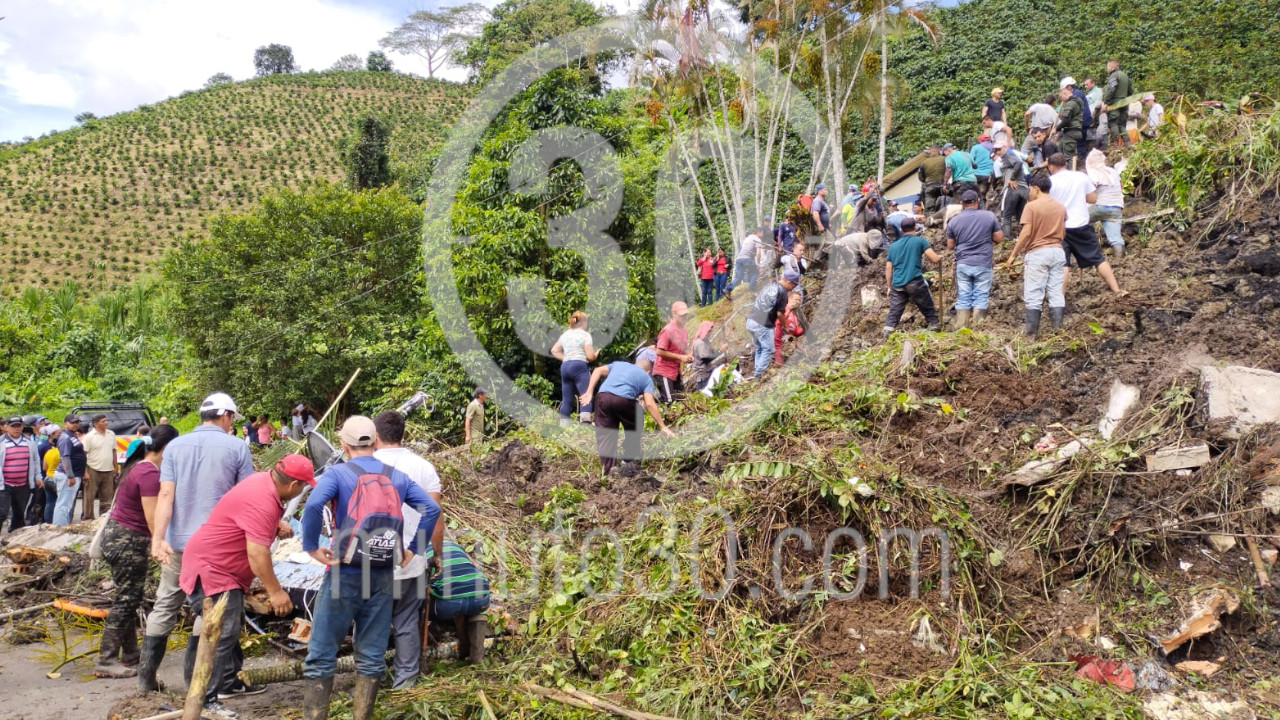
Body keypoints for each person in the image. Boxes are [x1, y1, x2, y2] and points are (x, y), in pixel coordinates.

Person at [301, 416, 440, 720]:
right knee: (372, 657)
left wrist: (311, 546)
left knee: (321, 656)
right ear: (376, 441)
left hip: (344, 573)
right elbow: (432, 508)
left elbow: (312, 506)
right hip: (381, 575)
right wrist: (414, 549)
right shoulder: (398, 476)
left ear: (343, 444)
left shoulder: (338, 473)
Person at [140, 392, 255, 694]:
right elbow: (246, 498)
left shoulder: (175, 447)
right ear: (226, 416)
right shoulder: (236, 447)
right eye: (232, 418)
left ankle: (146, 682)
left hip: (178, 544)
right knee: (210, 611)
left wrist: (158, 539)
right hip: (217, 549)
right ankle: (197, 684)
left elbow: (165, 495)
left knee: (165, 605)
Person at [182, 454, 311, 716]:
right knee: (219, 631)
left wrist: (275, 523)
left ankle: (228, 681)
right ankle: (204, 699)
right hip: (213, 568)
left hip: (220, 566)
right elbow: (257, 554)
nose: (302, 490)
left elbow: (243, 514)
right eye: (303, 486)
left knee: (230, 625)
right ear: (293, 484)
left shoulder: (262, 481)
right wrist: (275, 592)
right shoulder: (264, 501)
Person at [94, 424, 180, 679]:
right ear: (167, 448)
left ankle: (130, 652)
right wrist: (160, 544)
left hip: (118, 538)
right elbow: (153, 518)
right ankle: (106, 660)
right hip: (128, 541)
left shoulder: (137, 466)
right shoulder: (148, 474)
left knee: (129, 596)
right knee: (126, 600)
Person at [372, 410, 444, 690]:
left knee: (371, 623)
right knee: (406, 623)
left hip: (370, 564)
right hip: (411, 562)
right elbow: (435, 515)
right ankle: (405, 684)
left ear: (375, 436)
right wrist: (436, 554)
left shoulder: (361, 464)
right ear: (403, 435)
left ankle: (370, 681)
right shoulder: (423, 467)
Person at [1046, 153, 1126, 297]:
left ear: (1051, 166)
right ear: (1065, 164)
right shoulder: (1081, 177)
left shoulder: (1049, 182)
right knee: (1098, 259)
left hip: (1060, 227)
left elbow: (1046, 204)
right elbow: (1092, 198)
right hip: (1081, 224)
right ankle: (1117, 291)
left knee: (1063, 264)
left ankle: (1059, 300)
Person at [579, 357, 675, 476]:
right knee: (635, 424)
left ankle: (610, 472)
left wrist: (589, 392)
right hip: (624, 400)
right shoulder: (646, 378)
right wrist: (662, 426)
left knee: (605, 435)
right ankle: (627, 460)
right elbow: (649, 402)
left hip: (603, 397)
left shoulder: (618, 364)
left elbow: (597, 370)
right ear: (648, 371)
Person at [1005, 174, 1067, 336]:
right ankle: (1058, 332)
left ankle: (1031, 334)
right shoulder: (1060, 206)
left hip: (1038, 252)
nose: (1029, 192)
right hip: (1058, 251)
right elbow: (1063, 231)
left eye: (1030, 189)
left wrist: (1013, 255)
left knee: (1033, 293)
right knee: (1056, 292)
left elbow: (1026, 233)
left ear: (1036, 188)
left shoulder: (1031, 207)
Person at [418, 540, 490, 662]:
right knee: (473, 602)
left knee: (416, 603)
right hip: (481, 597)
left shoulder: (420, 551)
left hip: (448, 604)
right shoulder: (455, 546)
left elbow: (422, 586)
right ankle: (477, 655)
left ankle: (419, 656)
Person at [945, 189, 1004, 328]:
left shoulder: (953, 221)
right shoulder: (989, 216)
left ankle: (962, 328)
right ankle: (978, 328)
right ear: (978, 201)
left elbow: (950, 245)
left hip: (963, 263)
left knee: (964, 296)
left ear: (962, 203)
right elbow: (999, 238)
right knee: (981, 295)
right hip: (983, 262)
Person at [883, 217, 942, 335]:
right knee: (926, 304)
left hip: (897, 283)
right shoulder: (920, 241)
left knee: (895, 310)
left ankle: (887, 331)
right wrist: (940, 257)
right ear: (915, 227)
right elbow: (934, 259)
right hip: (914, 281)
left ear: (901, 229)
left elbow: (889, 268)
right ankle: (934, 325)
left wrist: (889, 286)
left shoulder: (893, 246)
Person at [745, 270, 800, 377]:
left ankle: (757, 371)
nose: (793, 288)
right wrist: (785, 326)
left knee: (760, 348)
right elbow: (780, 314)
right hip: (763, 323)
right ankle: (758, 375)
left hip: (751, 320)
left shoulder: (769, 286)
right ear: (788, 282)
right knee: (769, 349)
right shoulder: (782, 292)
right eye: (794, 285)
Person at [552, 311, 598, 425]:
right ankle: (585, 424)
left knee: (566, 399)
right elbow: (590, 356)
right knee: (585, 396)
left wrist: (566, 358)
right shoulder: (585, 335)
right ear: (584, 322)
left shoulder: (565, 335)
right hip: (579, 366)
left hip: (565, 366)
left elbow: (554, 350)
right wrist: (595, 355)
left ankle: (564, 426)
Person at [1, 417, 40, 533]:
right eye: (13, 426)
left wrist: (38, 477)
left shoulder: (29, 442)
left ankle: (14, 537)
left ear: (22, 427)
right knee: (2, 513)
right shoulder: (1, 442)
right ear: (7, 427)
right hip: (4, 484)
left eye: (19, 426)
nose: (17, 429)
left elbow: (36, 460)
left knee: (19, 513)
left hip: (23, 484)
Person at [1086, 149, 1126, 258]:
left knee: (1082, 219)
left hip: (1101, 206)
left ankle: (1087, 247)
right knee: (1115, 238)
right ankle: (1120, 260)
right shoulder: (1112, 171)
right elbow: (1120, 186)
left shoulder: (1094, 172)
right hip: (1116, 208)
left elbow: (1090, 192)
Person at [653, 302, 692, 404]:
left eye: (685, 315)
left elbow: (683, 348)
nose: (684, 317)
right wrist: (680, 357)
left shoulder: (684, 330)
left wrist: (689, 355)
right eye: (682, 315)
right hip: (664, 371)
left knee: (682, 399)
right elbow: (659, 351)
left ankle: (656, 399)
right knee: (670, 401)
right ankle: (652, 400)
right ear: (674, 314)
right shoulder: (668, 330)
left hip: (675, 370)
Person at [991, 139, 1030, 240]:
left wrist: (1012, 178)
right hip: (1024, 188)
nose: (997, 152)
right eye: (995, 150)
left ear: (1005, 147)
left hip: (1012, 188)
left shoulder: (1008, 154)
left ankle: (1006, 239)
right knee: (1021, 216)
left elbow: (1018, 163)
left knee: (1005, 216)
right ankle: (1025, 237)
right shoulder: (1010, 155)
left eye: (999, 149)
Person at [82, 413, 118, 521]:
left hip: (108, 470)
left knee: (107, 496)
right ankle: (88, 518)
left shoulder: (111, 434)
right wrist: (85, 472)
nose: (106, 423)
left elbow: (114, 451)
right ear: (96, 424)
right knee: (90, 496)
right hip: (93, 469)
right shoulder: (89, 437)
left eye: (106, 421)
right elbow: (83, 455)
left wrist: (115, 467)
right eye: (103, 421)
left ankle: (104, 518)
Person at [56, 414, 86, 527]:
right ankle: (58, 529)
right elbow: (65, 457)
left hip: (74, 474)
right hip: (67, 476)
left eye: (77, 422)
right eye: (72, 422)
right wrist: (70, 475)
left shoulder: (73, 436)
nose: (75, 424)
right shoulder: (65, 438)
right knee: (63, 504)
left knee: (67, 504)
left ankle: (61, 527)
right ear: (65, 424)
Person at [1055, 79, 1087, 169]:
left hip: (1072, 131)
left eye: (1061, 98)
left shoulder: (1070, 104)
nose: (1062, 101)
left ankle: (1071, 172)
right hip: (1073, 131)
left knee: (1068, 156)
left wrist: (1056, 128)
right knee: (1060, 148)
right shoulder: (1077, 101)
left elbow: (1065, 119)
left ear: (1065, 93)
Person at [1102, 58, 1133, 148]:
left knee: (1113, 123)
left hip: (1115, 103)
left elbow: (1111, 89)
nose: (1107, 68)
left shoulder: (1114, 75)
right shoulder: (1125, 76)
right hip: (1125, 102)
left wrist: (1106, 102)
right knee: (1122, 124)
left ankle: (1114, 144)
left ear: (1111, 66)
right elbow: (1130, 91)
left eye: (1107, 66)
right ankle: (1128, 143)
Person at [690, 321, 728, 391]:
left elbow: (711, 354)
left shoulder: (705, 341)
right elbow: (706, 359)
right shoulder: (700, 343)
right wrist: (720, 351)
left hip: (707, 372)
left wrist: (720, 350)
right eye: (708, 331)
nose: (709, 333)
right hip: (703, 375)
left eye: (710, 331)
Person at [772, 293, 805, 366]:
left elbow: (795, 330)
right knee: (778, 362)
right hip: (777, 339)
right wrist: (789, 310)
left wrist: (802, 330)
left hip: (788, 340)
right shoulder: (783, 308)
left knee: (803, 355)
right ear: (789, 299)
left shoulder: (794, 315)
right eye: (796, 299)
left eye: (799, 300)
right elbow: (778, 322)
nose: (797, 302)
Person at [40, 424, 63, 524]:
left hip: (48, 478)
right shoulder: (61, 452)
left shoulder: (48, 452)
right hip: (57, 479)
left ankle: (48, 522)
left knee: (49, 503)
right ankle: (60, 522)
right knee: (60, 502)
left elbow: (44, 467)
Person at [918, 145, 947, 215]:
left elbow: (920, 177)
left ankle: (931, 219)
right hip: (941, 186)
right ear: (939, 151)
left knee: (930, 209)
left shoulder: (924, 163)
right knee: (943, 206)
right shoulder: (944, 159)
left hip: (930, 186)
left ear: (930, 152)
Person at [730, 227, 761, 293]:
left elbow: (746, 249)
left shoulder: (747, 238)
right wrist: (758, 263)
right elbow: (758, 253)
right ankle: (751, 287)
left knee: (739, 277)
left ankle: (727, 289)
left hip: (739, 258)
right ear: (758, 232)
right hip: (746, 259)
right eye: (762, 233)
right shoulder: (757, 239)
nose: (763, 235)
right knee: (756, 271)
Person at [970, 137, 994, 206]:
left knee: (974, 193)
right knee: (983, 193)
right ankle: (982, 207)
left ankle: (974, 207)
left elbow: (971, 160)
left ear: (980, 141)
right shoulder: (994, 148)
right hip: (988, 175)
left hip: (975, 174)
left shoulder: (976, 147)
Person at [1083, 77, 1105, 147]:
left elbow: (1097, 103)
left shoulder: (1098, 91)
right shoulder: (1090, 93)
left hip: (1094, 117)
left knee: (1093, 137)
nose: (1085, 86)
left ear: (1093, 83)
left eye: (1087, 84)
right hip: (1088, 116)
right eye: (1085, 85)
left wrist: (1093, 114)